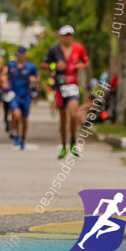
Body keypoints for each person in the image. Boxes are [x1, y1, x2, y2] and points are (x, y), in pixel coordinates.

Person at [44, 25, 90, 159]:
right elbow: (44, 65)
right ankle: (64, 146)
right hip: (59, 86)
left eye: (70, 35)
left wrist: (81, 66)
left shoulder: (78, 48)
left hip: (72, 86)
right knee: (63, 117)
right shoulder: (54, 50)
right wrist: (54, 66)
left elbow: (86, 62)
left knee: (74, 114)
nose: (68, 37)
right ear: (60, 37)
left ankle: (73, 143)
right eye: (65, 35)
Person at [2, 46, 38, 150]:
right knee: (16, 116)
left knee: (25, 119)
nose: (21, 56)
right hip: (14, 95)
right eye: (19, 54)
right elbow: (6, 75)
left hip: (26, 95)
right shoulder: (11, 65)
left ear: (25, 55)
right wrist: (4, 81)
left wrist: (34, 80)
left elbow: (37, 77)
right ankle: (17, 135)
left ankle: (23, 138)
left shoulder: (31, 67)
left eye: (23, 54)